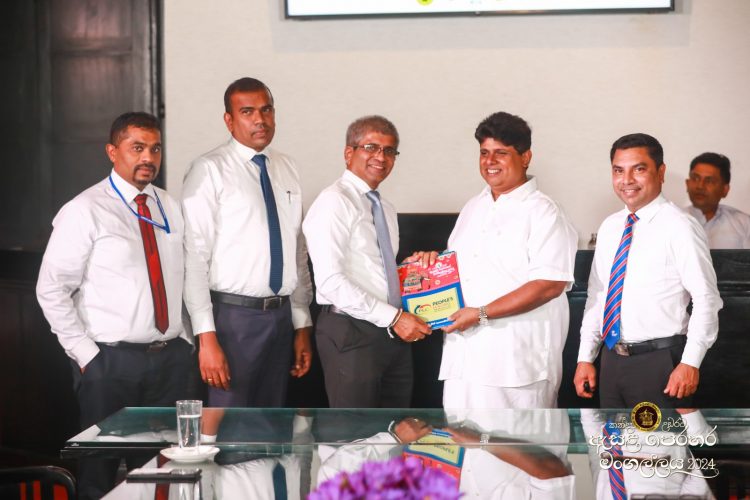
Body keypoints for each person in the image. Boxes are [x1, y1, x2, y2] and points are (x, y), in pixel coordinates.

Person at [36, 112, 195, 499]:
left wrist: (187, 340)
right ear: (112, 151)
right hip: (110, 364)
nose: (148, 158)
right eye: (137, 148)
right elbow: (51, 288)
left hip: (170, 362)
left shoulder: (169, 206)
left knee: (162, 475)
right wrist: (86, 355)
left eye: (155, 148)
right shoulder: (85, 209)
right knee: (99, 476)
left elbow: (183, 277)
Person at [182, 77, 313, 407]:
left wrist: (302, 323)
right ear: (229, 120)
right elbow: (194, 258)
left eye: (266, 110)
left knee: (270, 426)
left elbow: (297, 251)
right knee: (228, 425)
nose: (260, 120)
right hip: (232, 319)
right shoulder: (209, 169)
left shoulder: (287, 167)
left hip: (281, 317)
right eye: (247, 112)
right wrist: (206, 337)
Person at [437, 111, 578, 409]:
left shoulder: (544, 211)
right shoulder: (472, 208)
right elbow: (454, 273)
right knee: (460, 436)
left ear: (525, 157)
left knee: (518, 438)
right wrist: (428, 266)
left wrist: (481, 314)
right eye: (484, 153)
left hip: (516, 366)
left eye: (501, 153)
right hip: (462, 361)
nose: (490, 161)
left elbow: (549, 285)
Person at [574, 133, 723, 408]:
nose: (627, 180)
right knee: (614, 437)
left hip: (660, 362)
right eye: (619, 170)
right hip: (611, 361)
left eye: (639, 169)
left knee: (661, 437)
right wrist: (585, 357)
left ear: (661, 172)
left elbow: (706, 299)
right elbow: (598, 296)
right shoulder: (610, 227)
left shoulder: (680, 226)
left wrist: (690, 362)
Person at [302, 115, 431, 408]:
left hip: (392, 332)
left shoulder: (385, 208)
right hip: (352, 330)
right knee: (355, 431)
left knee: (394, 428)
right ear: (349, 153)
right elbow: (331, 282)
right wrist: (394, 318)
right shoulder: (334, 202)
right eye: (371, 147)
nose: (381, 157)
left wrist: (416, 269)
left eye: (389, 150)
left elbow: (376, 270)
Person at [685, 152, 750, 248]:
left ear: (725, 190)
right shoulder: (672, 221)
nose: (700, 186)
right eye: (695, 178)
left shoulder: (744, 224)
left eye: (709, 181)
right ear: (687, 184)